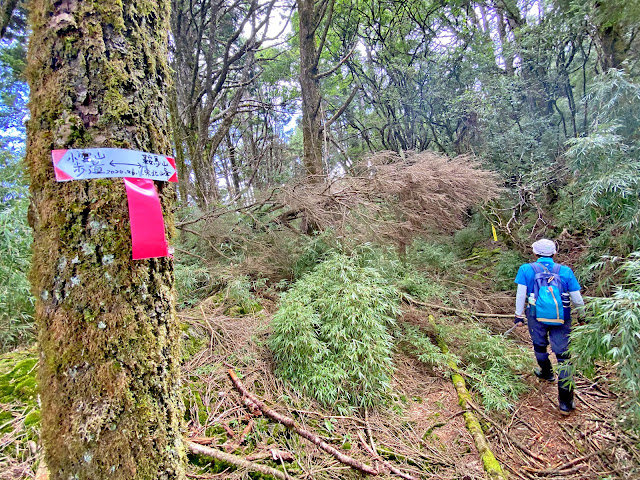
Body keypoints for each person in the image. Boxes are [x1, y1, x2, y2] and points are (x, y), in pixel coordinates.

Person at [514, 239, 585, 415]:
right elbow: (577, 299)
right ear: (554, 253)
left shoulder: (526, 269)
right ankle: (566, 404)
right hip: (562, 318)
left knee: (539, 346)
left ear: (535, 253)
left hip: (535, 316)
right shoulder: (565, 271)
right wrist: (583, 316)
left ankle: (547, 372)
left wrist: (518, 316)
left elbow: (521, 294)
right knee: (564, 358)